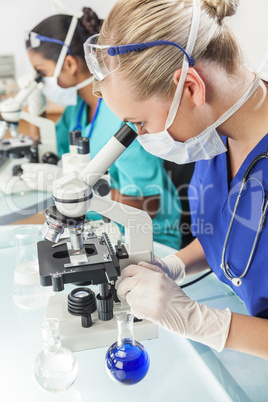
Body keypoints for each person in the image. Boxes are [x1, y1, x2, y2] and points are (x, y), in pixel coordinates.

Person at [83, 0, 268, 359]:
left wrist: (201, 321)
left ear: (191, 88)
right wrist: (175, 264)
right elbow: (233, 230)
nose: (141, 136)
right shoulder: (214, 134)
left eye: (140, 124)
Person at [24, 7, 183, 249]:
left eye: (41, 73)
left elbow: (146, 203)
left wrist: (85, 197)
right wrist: (36, 112)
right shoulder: (76, 109)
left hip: (148, 239)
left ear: (68, 64)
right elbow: (49, 156)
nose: (40, 82)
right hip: (99, 228)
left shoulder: (125, 117)